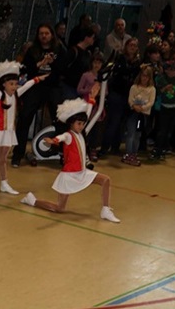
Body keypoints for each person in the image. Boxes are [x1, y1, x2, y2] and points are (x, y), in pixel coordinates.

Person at [21, 82, 120, 222]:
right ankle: (32, 201)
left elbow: (87, 113)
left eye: (83, 123)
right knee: (59, 208)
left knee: (105, 180)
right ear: (71, 123)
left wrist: (92, 98)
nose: (81, 126)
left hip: (82, 172)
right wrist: (53, 140)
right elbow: (61, 138)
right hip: (69, 175)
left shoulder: (81, 133)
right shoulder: (68, 135)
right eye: (79, 123)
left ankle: (105, 210)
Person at [0, 60, 43, 198]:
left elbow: (28, 85)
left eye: (15, 84)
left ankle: (4, 183)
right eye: (11, 84)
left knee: (3, 159)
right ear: (4, 84)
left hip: (8, 132)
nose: (14, 86)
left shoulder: (16, 94)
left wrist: (38, 79)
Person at [12, 24, 65, 167]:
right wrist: (41, 63)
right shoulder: (32, 50)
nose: (44, 36)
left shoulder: (59, 49)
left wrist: (52, 63)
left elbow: (63, 69)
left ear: (52, 35)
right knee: (24, 117)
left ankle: (63, 153)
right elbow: (26, 69)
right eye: (41, 33)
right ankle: (18, 154)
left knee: (60, 118)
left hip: (53, 86)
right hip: (35, 86)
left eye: (47, 33)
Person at [100, 37, 142, 157]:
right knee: (113, 121)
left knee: (122, 124)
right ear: (126, 46)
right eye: (130, 45)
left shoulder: (138, 62)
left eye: (135, 45)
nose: (132, 47)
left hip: (129, 95)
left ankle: (115, 147)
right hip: (117, 93)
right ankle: (104, 148)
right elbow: (120, 72)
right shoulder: (119, 58)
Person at [124, 65, 155, 166]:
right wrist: (134, 106)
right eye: (143, 75)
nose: (144, 78)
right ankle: (128, 153)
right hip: (133, 113)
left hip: (143, 115)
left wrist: (143, 107)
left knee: (137, 135)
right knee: (130, 134)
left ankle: (134, 153)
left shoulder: (152, 89)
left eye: (147, 76)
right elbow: (130, 99)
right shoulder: (134, 87)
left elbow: (151, 102)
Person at [152, 62, 175, 160]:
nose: (171, 72)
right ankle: (157, 149)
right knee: (162, 130)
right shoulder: (162, 79)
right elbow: (158, 91)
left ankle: (164, 148)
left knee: (169, 131)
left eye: (173, 69)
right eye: (169, 70)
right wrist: (165, 88)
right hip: (164, 107)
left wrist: (170, 91)